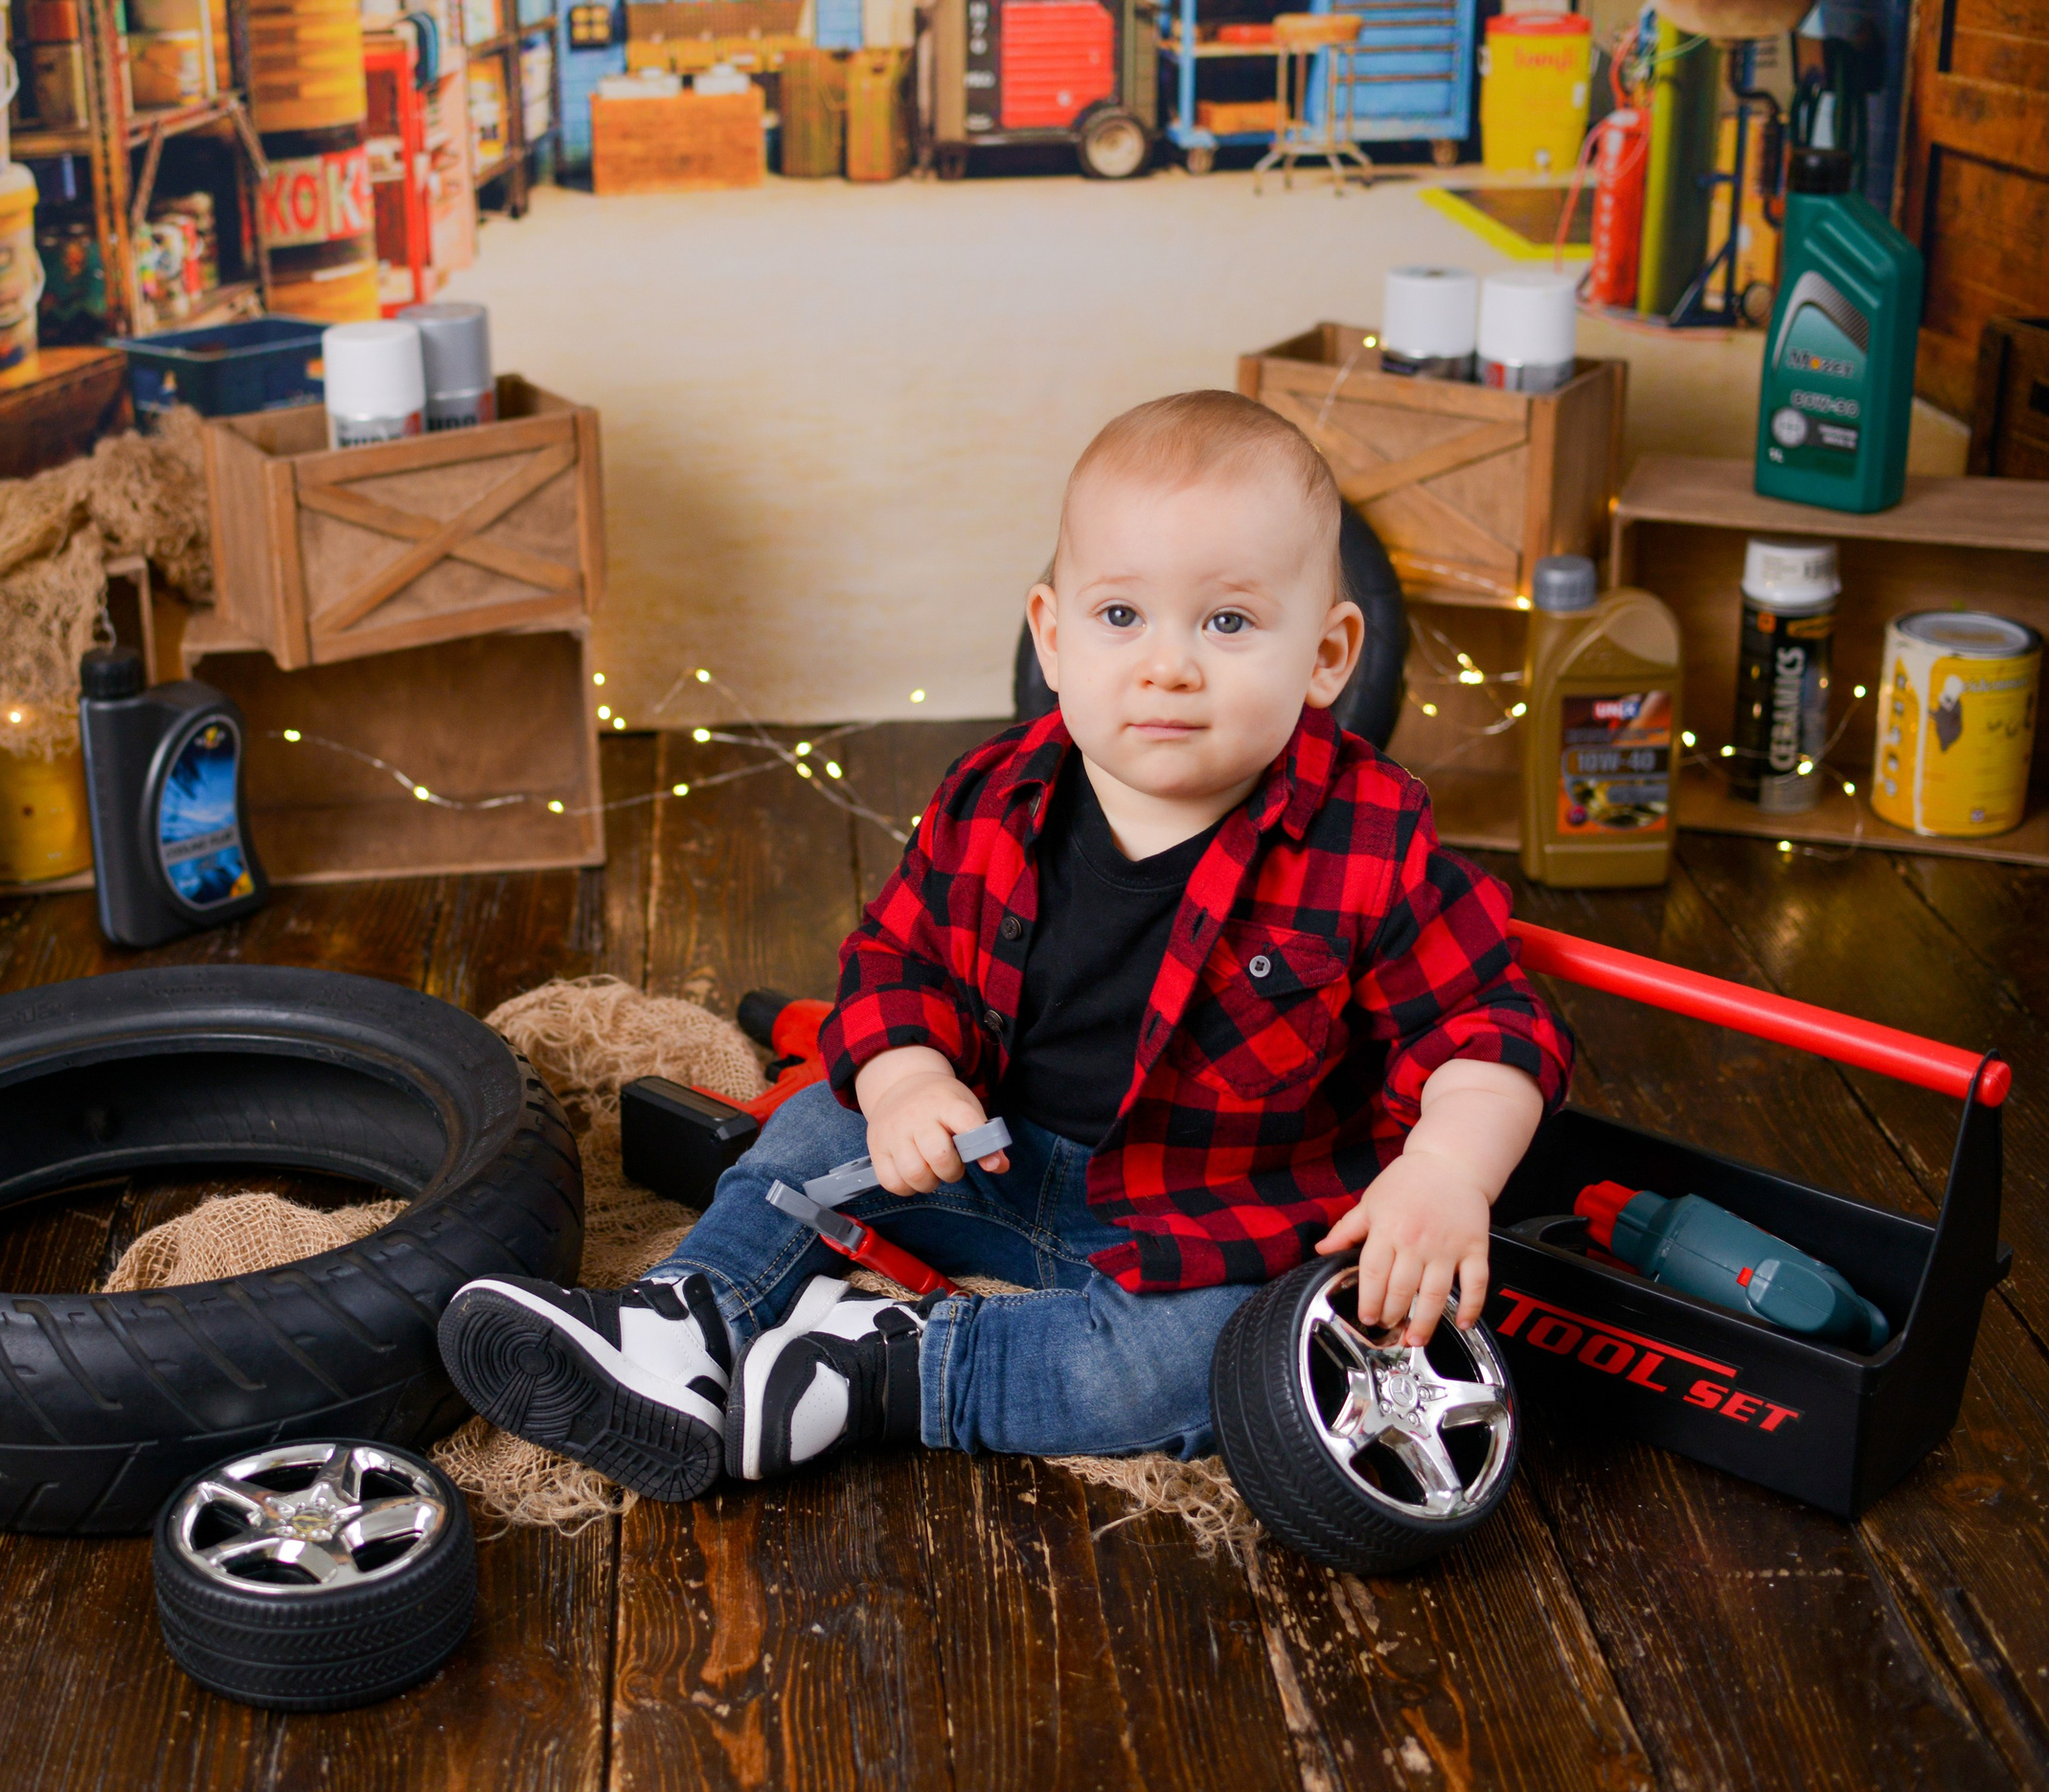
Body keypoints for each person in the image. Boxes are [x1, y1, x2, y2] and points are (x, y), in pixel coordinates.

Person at [438, 390, 1574, 1502]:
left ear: (1326, 655)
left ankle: (883, 1365)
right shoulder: (995, 794)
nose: (1167, 664)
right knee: (814, 1124)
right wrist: (907, 1077)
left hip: (1201, 1222)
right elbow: (895, 964)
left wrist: (1443, 1170)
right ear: (1052, 633)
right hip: (982, 1154)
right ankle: (686, 1320)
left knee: (1225, 1356)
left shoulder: (1367, 837)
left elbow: (1492, 1026)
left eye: (1227, 622)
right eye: (1121, 616)